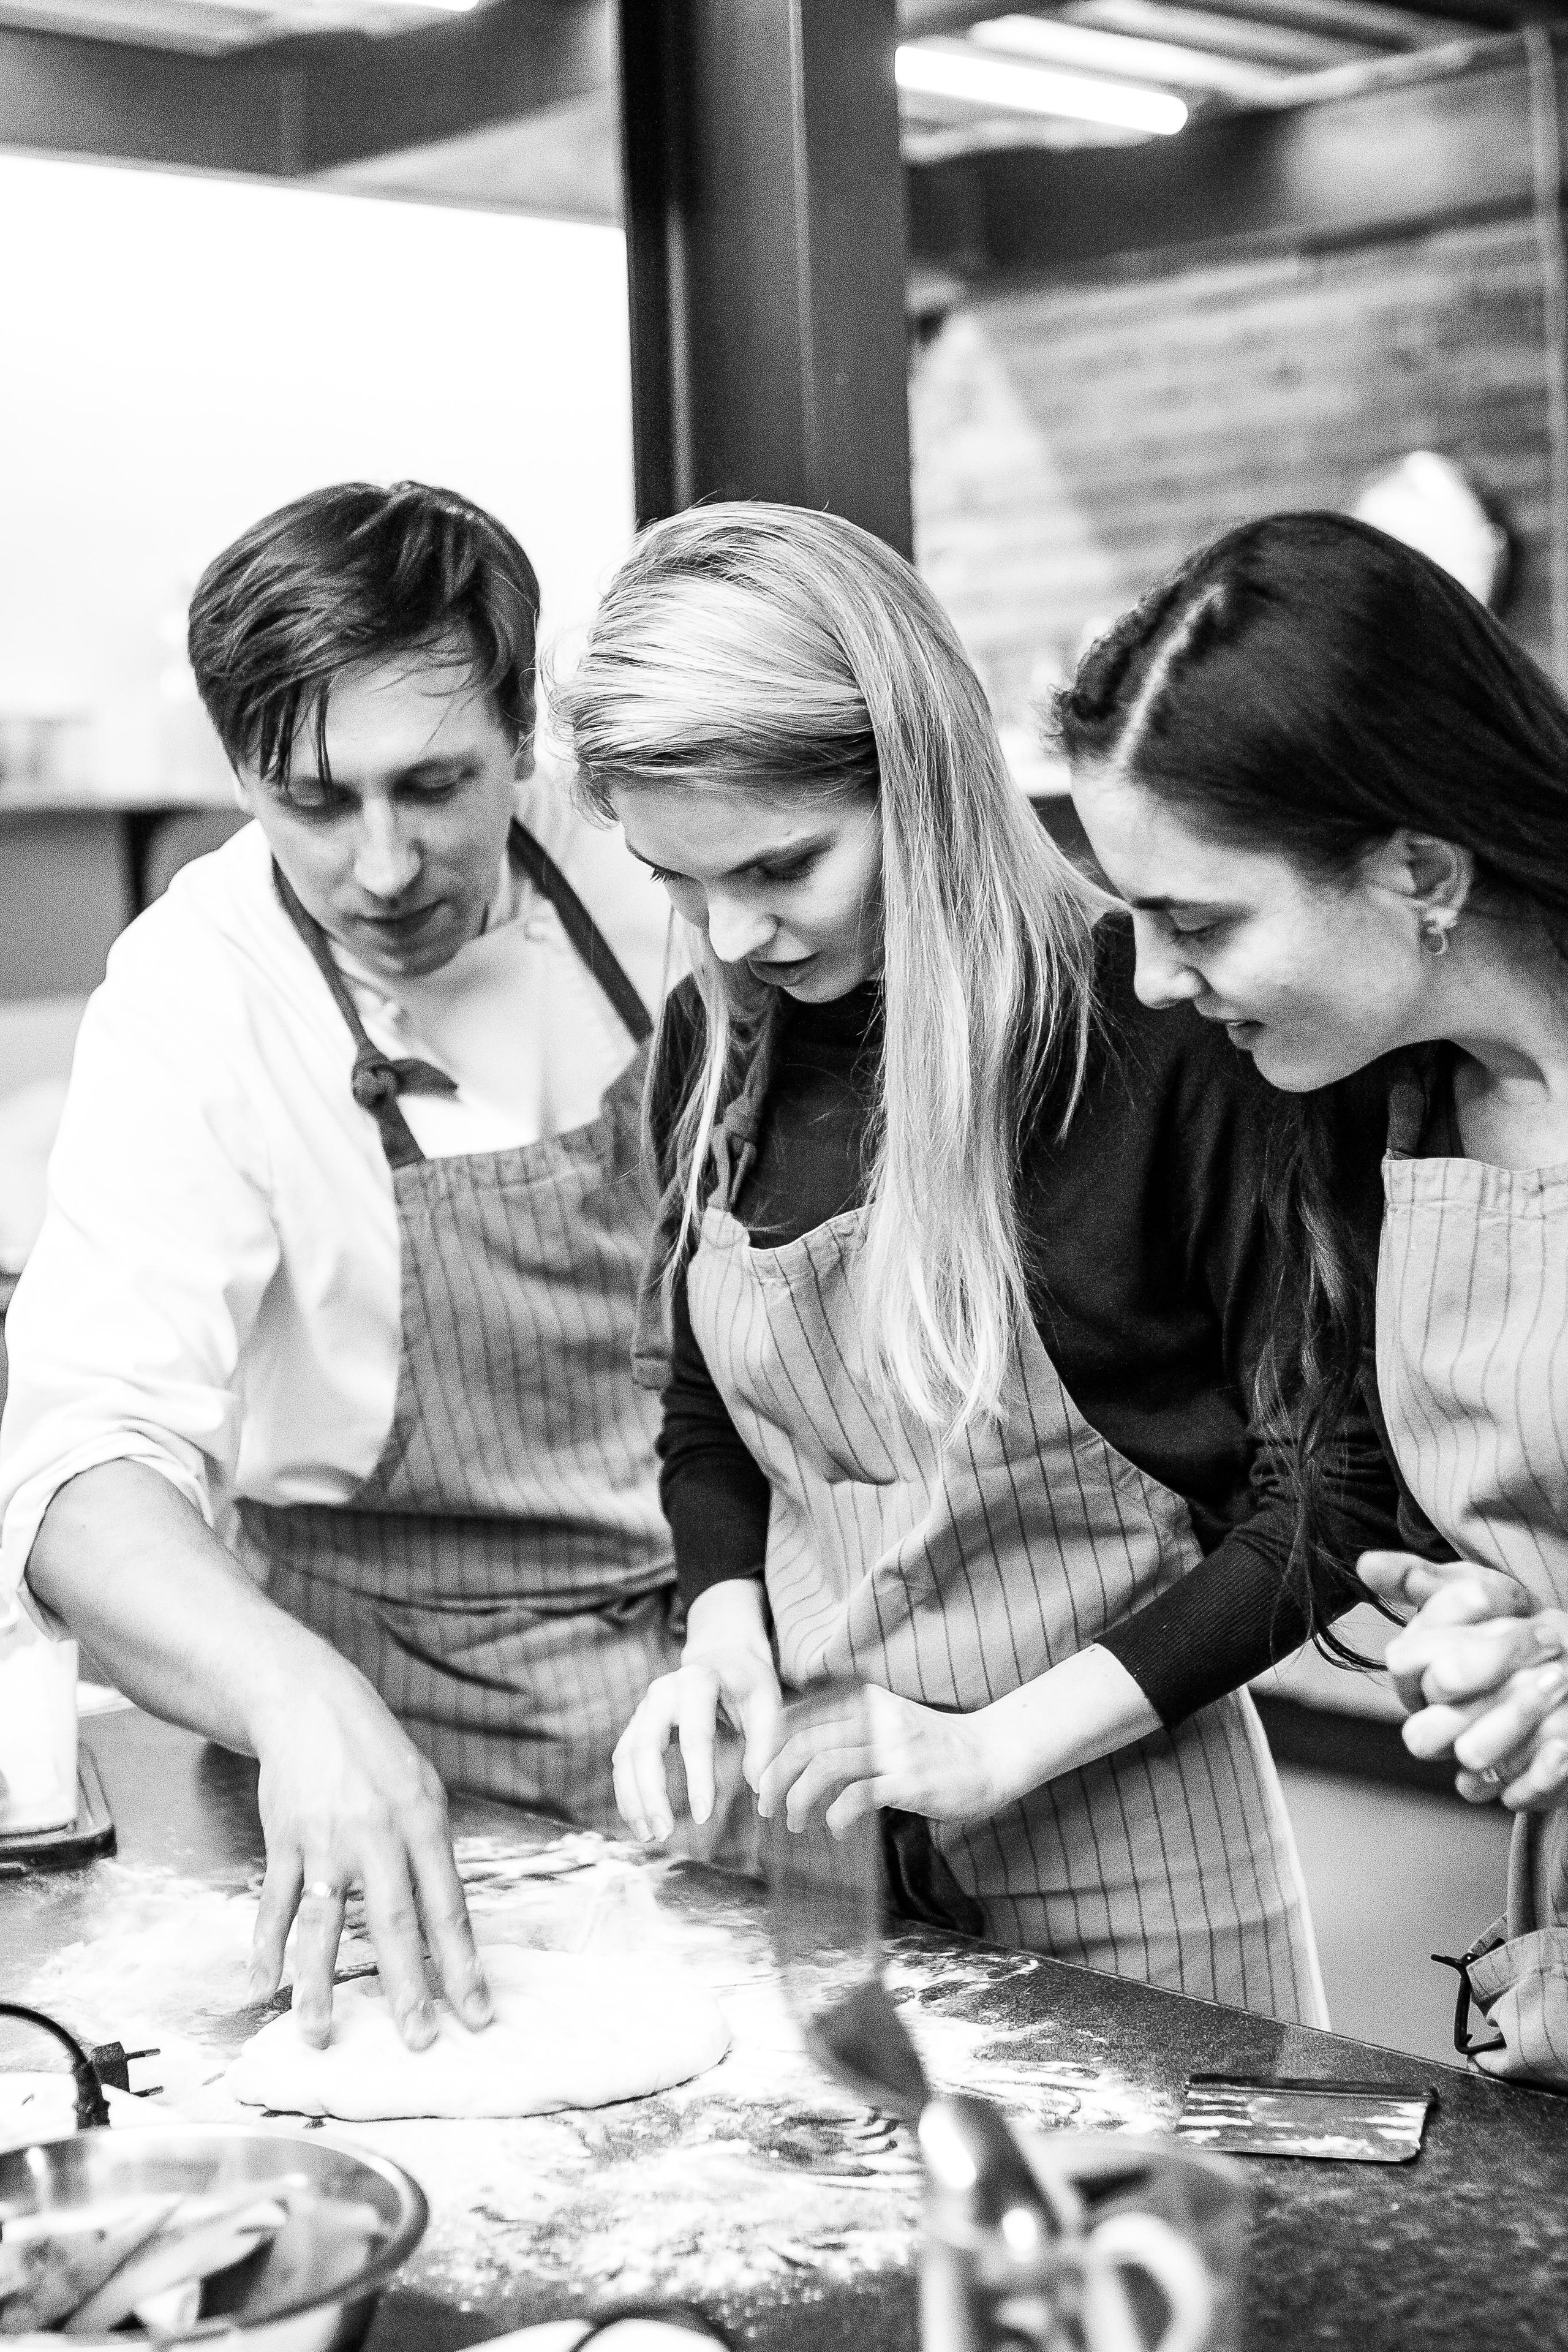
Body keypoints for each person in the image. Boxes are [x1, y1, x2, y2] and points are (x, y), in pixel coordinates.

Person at [554, 500, 1408, 2024]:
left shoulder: (1160, 1032)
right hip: (823, 1846)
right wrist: (722, 1625)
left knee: (1155, 2267)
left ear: (918, 778)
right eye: (674, 882)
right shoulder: (713, 1044)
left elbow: (1333, 1496)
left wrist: (992, 1746)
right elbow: (700, 1410)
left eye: (780, 866)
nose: (732, 934)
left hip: (1129, 1865)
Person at [0, 482, 680, 2051]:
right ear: (240, 772)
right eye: (312, 804)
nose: (383, 867)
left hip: (735, 1680)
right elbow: (80, 1467)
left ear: (525, 732)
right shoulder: (195, 995)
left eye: (436, 785)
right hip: (417, 1751)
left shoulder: (656, 871)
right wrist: (296, 1699)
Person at [1057, 508, 1568, 2076]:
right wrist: (1496, 1612)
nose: (1147, 980)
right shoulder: (1397, 1104)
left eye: (1197, 922)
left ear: (1417, 867)